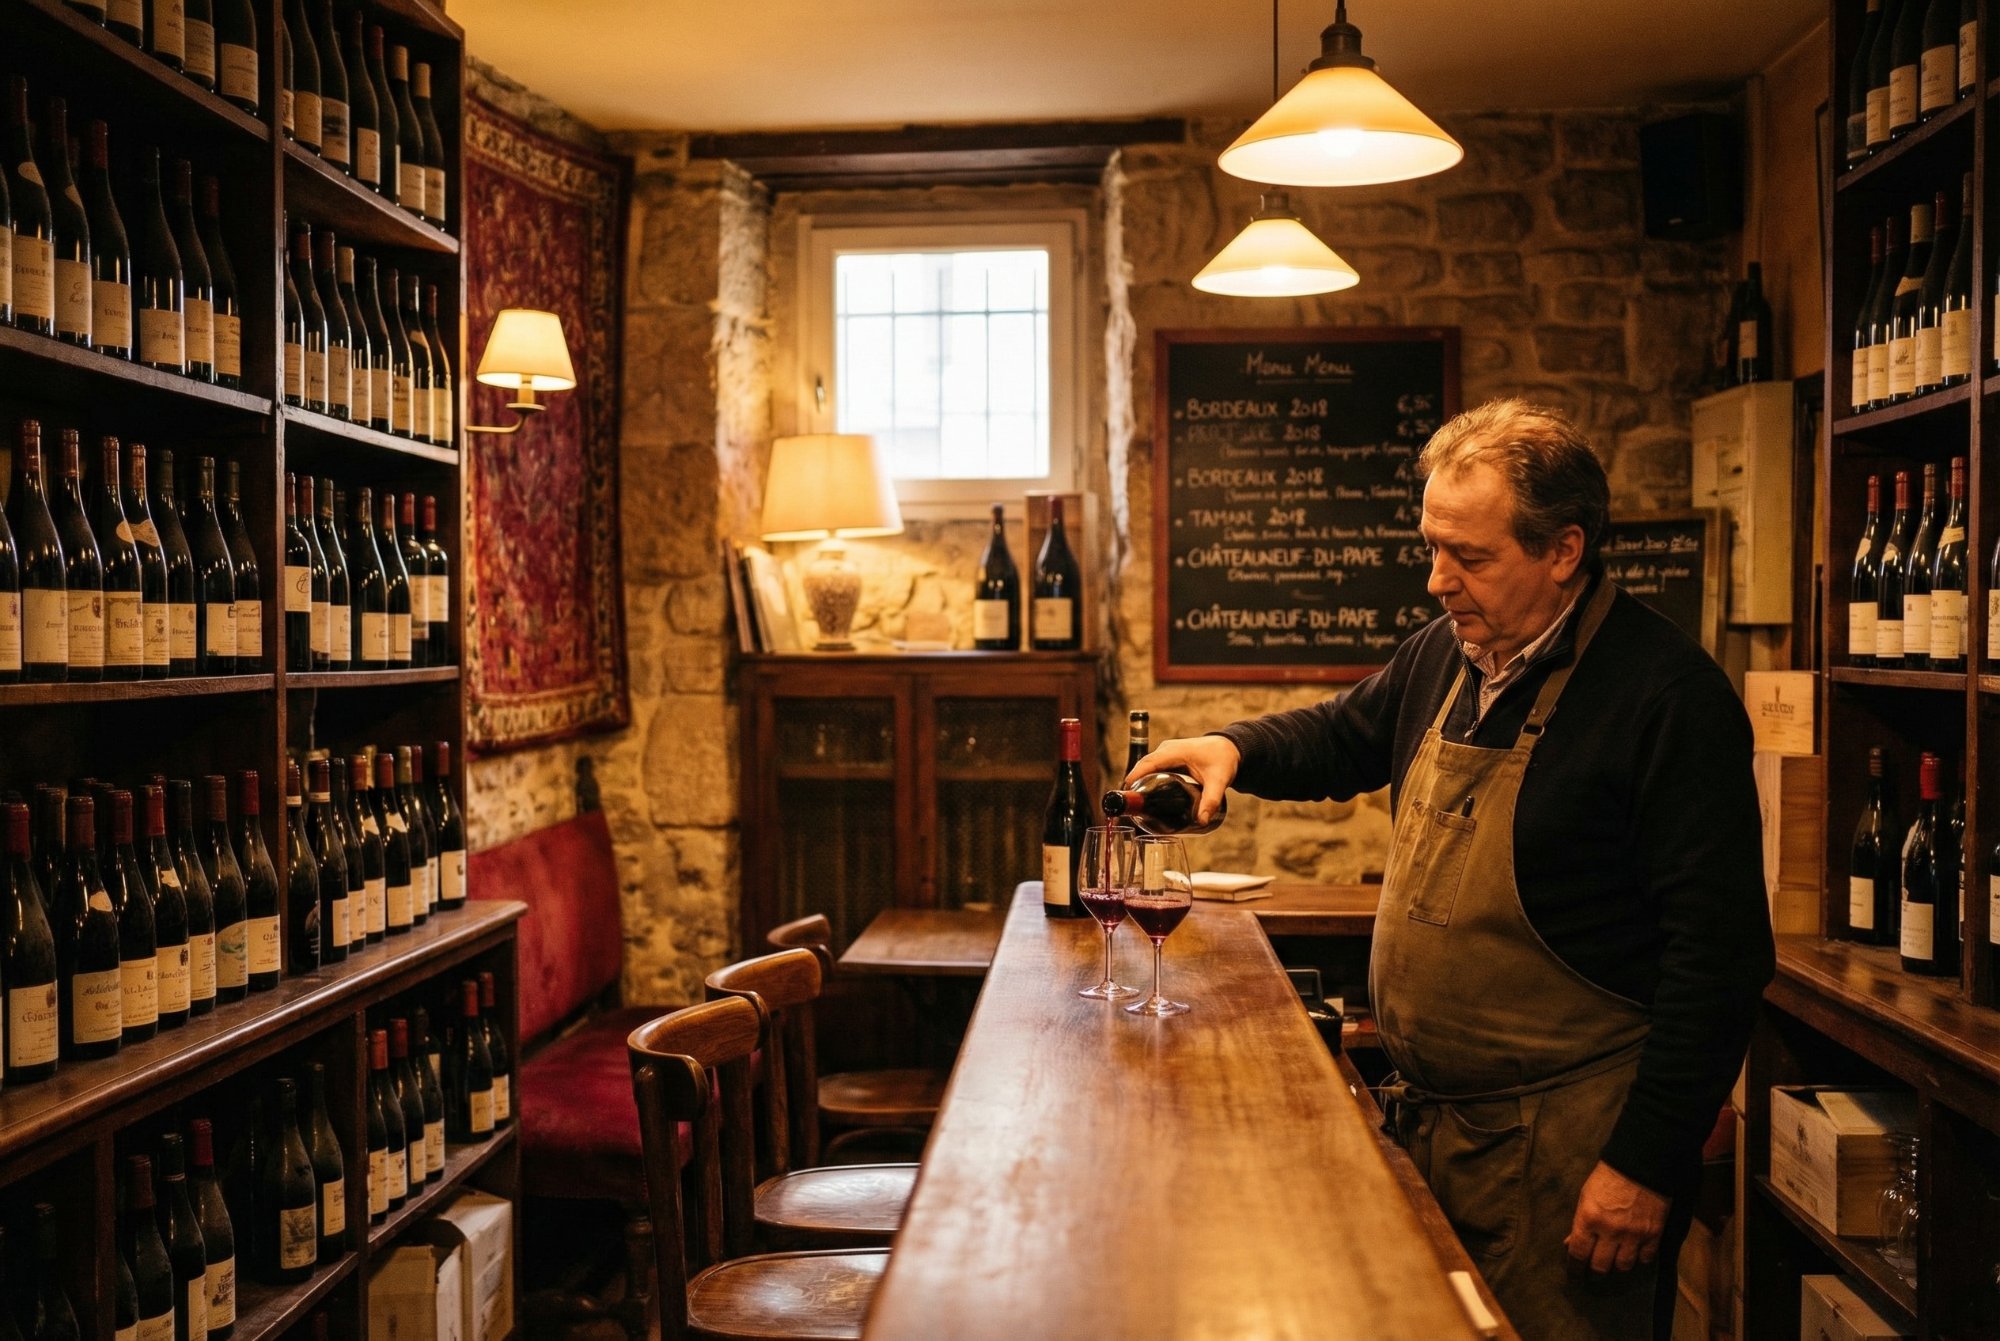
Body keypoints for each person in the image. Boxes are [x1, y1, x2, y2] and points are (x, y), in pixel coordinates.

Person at [1131, 399, 1775, 1340]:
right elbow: (1345, 734)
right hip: (1439, 1128)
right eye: (1431, 546)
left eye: (1469, 557)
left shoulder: (1668, 698)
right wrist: (1235, 746)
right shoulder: (1457, 652)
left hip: (1568, 1152)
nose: (1438, 580)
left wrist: (1644, 1164)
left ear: (1564, 549)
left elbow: (1719, 963)